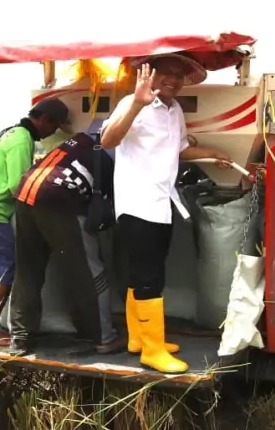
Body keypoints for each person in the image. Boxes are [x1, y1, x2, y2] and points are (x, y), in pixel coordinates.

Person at [100, 52, 234, 374]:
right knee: (150, 278)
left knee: (144, 273)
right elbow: (107, 139)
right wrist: (136, 103)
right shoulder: (134, 105)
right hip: (137, 204)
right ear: (150, 73)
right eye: (166, 73)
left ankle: (139, 339)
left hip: (163, 202)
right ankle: (153, 350)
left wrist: (213, 153)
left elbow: (180, 149)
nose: (172, 80)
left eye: (178, 75)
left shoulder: (174, 111)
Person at [0, 98, 70, 346]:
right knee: (5, 272)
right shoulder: (22, 140)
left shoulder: (15, 132)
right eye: (55, 126)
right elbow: (16, 186)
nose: (53, 132)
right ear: (44, 120)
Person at [7, 130, 124, 356]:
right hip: (60, 198)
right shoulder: (112, 157)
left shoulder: (78, 139)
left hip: (25, 194)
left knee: (28, 270)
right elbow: (107, 205)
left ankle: (20, 339)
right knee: (90, 272)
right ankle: (104, 338)